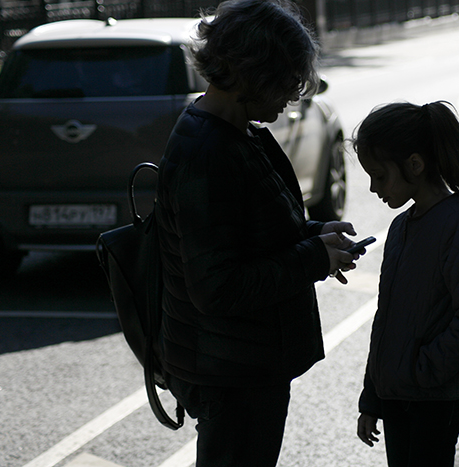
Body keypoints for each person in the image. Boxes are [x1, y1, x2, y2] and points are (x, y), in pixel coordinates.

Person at [153, 1, 359, 466]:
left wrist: (316, 234)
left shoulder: (239, 132)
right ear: (252, 73)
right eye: (287, 83)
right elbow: (218, 288)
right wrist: (312, 258)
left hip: (243, 365)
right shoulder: (208, 152)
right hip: (230, 373)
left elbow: (253, 232)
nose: (293, 97)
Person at [352, 101, 459, 467]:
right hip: (400, 394)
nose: (372, 188)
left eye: (380, 176)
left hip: (435, 397)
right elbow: (386, 319)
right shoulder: (401, 228)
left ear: (415, 165)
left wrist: (423, 371)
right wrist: (373, 398)